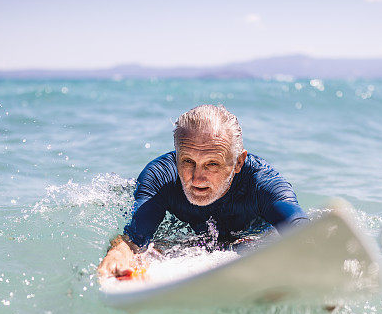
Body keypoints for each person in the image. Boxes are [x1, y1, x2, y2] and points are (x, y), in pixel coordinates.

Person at [97, 104, 308, 279]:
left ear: (238, 162)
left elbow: (299, 226)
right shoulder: (161, 177)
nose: (197, 178)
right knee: (156, 250)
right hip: (186, 238)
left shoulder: (262, 183)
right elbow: (133, 238)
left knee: (254, 246)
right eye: (188, 161)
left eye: (212, 164)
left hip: (251, 238)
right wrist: (118, 254)